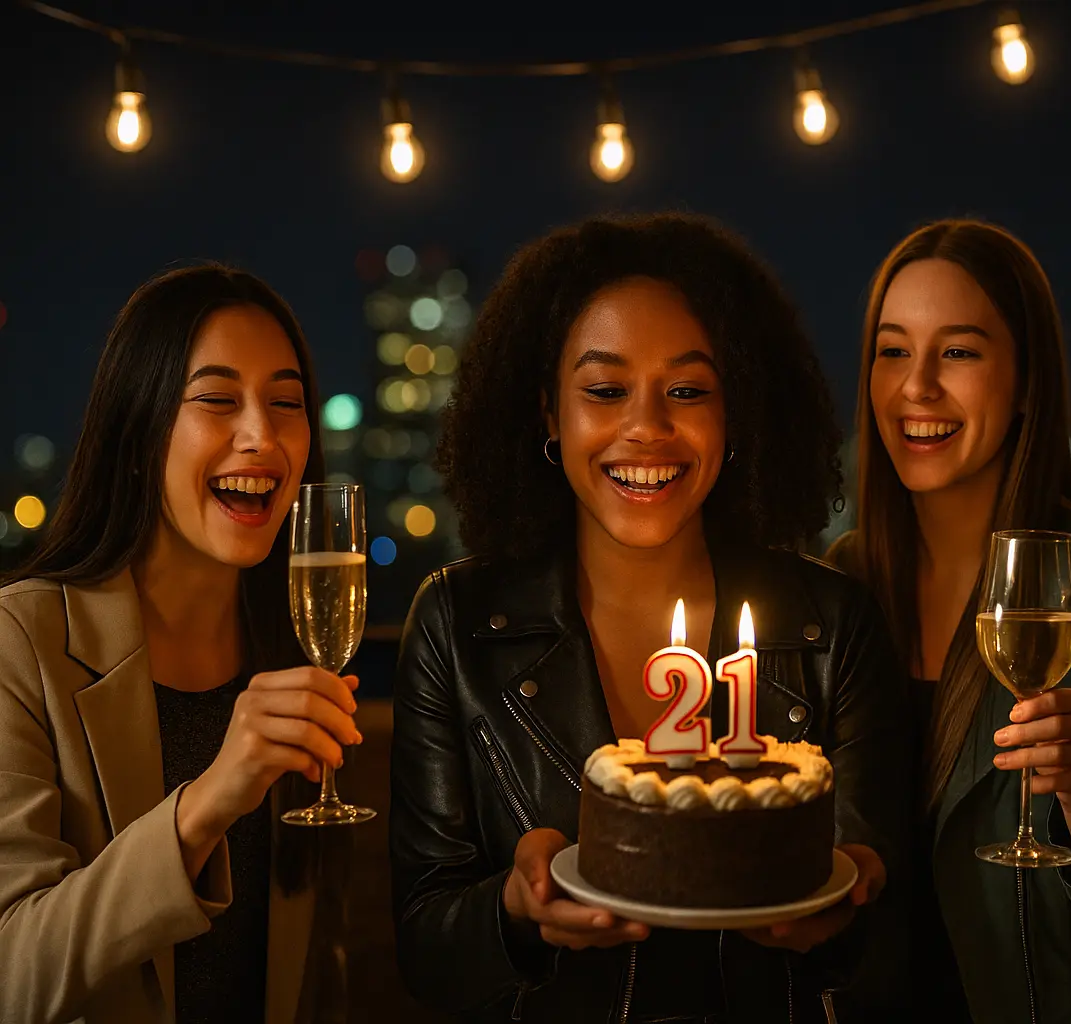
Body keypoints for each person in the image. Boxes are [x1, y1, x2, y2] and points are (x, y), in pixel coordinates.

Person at [389, 213, 911, 1023]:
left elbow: (889, 938)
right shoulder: (457, 625)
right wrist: (515, 912)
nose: (647, 427)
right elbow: (425, 946)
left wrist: (836, 919)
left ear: (735, 413)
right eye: (604, 391)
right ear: (548, 418)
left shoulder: (832, 623)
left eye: (688, 390)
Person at [827, 219, 1071, 1024]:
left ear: (1029, 381)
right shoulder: (838, 589)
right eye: (893, 351)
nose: (917, 386)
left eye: (958, 352)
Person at [0, 265, 362, 1023]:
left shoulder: (295, 649)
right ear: (139, 434)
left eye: (286, 403)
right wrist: (207, 804)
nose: (261, 435)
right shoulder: (20, 642)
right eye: (218, 400)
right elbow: (13, 973)